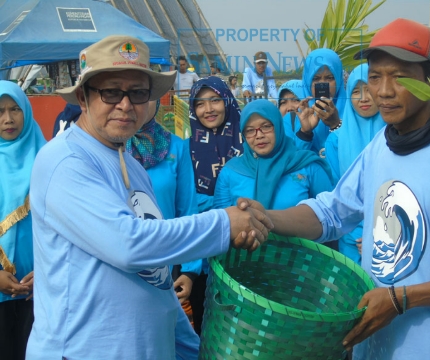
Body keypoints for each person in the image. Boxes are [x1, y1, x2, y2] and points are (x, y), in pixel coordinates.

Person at [241, 18, 430, 359]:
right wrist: (265, 217)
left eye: (399, 76)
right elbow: (333, 212)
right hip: (375, 342)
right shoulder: (381, 146)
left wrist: (401, 299)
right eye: (375, 76)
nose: (382, 91)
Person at [27, 35, 272, 359]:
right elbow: (128, 245)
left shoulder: (129, 163)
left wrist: (190, 349)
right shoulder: (65, 160)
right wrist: (223, 224)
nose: (126, 105)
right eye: (111, 91)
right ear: (84, 99)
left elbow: (155, 280)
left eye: (138, 93)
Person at [126, 99, 201, 322]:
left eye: (144, 95)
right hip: (122, 264)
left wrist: (189, 271)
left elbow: (188, 211)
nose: (137, 103)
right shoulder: (111, 148)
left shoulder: (176, 148)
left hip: (166, 269)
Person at [186, 76, 244, 334]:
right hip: (200, 251)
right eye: (200, 103)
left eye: (215, 101)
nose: (208, 109)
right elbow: (184, 200)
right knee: (206, 324)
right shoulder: (186, 149)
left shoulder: (249, 143)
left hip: (242, 247)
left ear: (228, 101)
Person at [213, 99, 334, 211]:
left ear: (278, 127)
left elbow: (330, 215)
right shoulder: (231, 171)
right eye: (250, 130)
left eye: (266, 126)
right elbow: (223, 223)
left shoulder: (307, 166)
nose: (259, 135)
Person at [0, 80, 46, 360]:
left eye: (15, 109)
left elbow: (64, 226)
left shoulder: (48, 158)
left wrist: (47, 273)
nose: (7, 118)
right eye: (0, 111)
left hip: (40, 289)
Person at [324, 63, 385, 263]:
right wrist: (360, 234)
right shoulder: (336, 140)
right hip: (351, 239)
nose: (363, 98)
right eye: (356, 91)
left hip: (390, 235)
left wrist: (378, 235)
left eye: (368, 89)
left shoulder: (395, 136)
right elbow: (338, 192)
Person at [289, 49, 347, 156]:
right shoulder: (293, 117)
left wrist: (336, 124)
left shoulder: (353, 111)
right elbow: (293, 159)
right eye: (316, 78)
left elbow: (355, 153)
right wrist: (305, 132)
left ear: (338, 79)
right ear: (307, 81)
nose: (323, 84)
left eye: (330, 77)